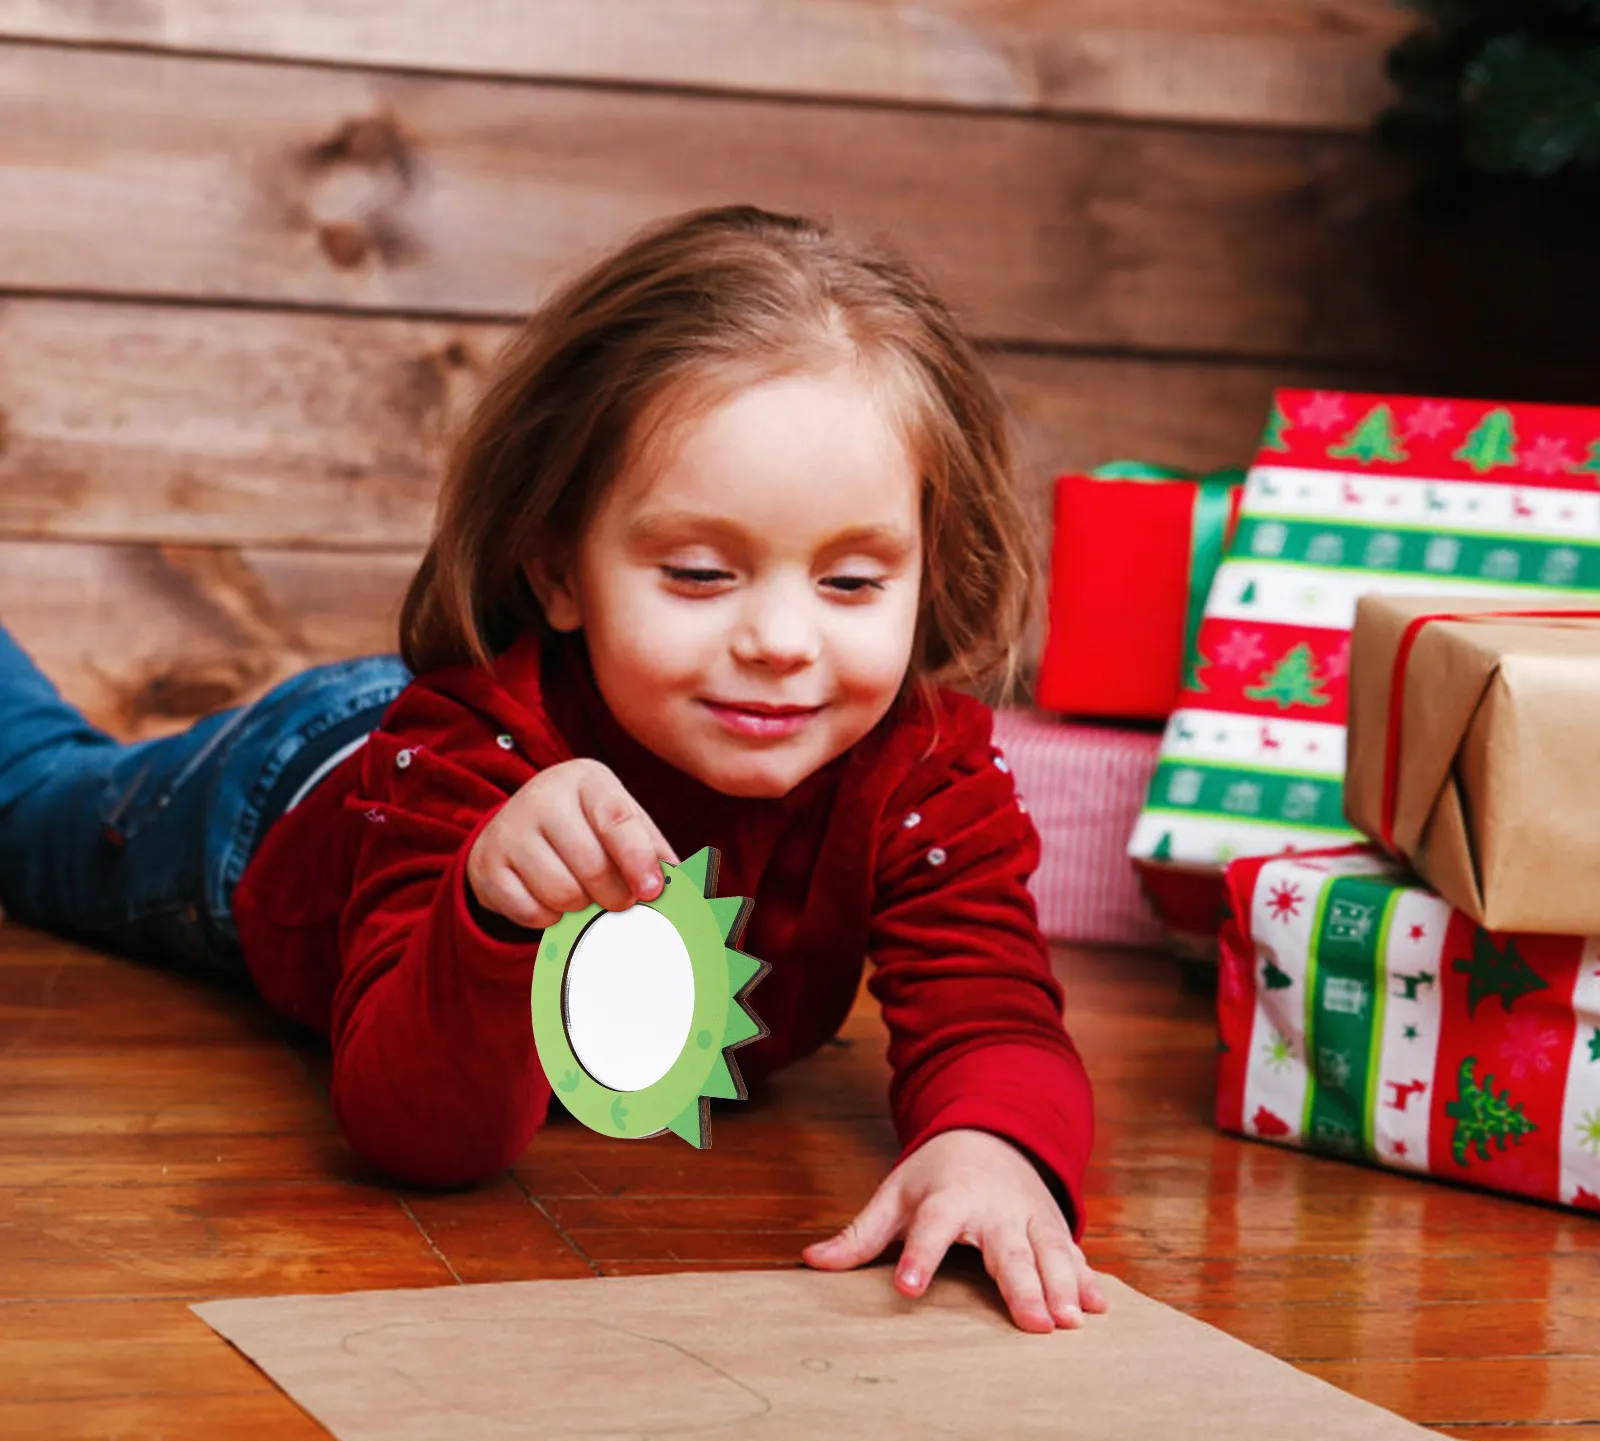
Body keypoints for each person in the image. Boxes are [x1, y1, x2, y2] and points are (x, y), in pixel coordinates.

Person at [0, 205, 1102, 1334]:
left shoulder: (922, 765)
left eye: (853, 582)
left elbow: (993, 1010)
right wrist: (489, 905)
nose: (783, 640)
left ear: (928, 566)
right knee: (33, 793)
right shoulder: (468, 755)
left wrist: (991, 1143)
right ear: (558, 571)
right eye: (701, 571)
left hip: (486, 710)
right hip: (290, 793)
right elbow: (419, 1139)